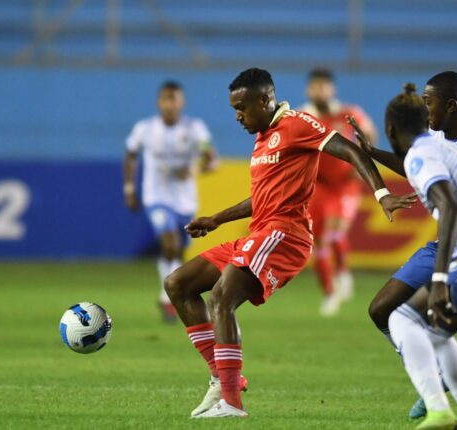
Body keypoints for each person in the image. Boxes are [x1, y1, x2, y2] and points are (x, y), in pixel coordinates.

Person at [163, 68, 415, 419]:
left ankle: (232, 401)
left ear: (265, 100)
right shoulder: (264, 135)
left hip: (285, 236)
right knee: (178, 284)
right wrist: (216, 219)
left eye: (243, 108)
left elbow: (352, 152)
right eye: (234, 109)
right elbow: (262, 197)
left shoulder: (298, 124)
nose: (238, 116)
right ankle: (221, 380)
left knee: (222, 297)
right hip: (260, 232)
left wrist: (382, 192)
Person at [352, 71, 457, 420]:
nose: (424, 108)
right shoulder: (432, 139)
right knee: (381, 309)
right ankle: (437, 374)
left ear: (451, 104)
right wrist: (374, 153)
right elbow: (414, 167)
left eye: (429, 102)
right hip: (445, 241)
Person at [123, 80, 218, 322]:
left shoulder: (195, 128)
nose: (170, 103)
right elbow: (131, 155)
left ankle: (173, 291)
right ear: (158, 102)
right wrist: (129, 188)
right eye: (166, 98)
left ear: (181, 102)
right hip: (156, 197)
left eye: (174, 98)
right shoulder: (145, 129)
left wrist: (194, 168)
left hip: (185, 202)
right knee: (169, 242)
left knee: (179, 249)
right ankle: (167, 297)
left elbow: (211, 159)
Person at [299, 68, 378, 316]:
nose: (319, 91)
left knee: (335, 231)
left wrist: (363, 159)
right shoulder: (301, 116)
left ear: (331, 89)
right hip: (317, 184)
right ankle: (329, 292)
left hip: (344, 183)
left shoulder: (348, 113)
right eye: (315, 86)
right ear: (308, 90)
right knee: (318, 240)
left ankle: (342, 271)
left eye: (323, 86)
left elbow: (370, 133)